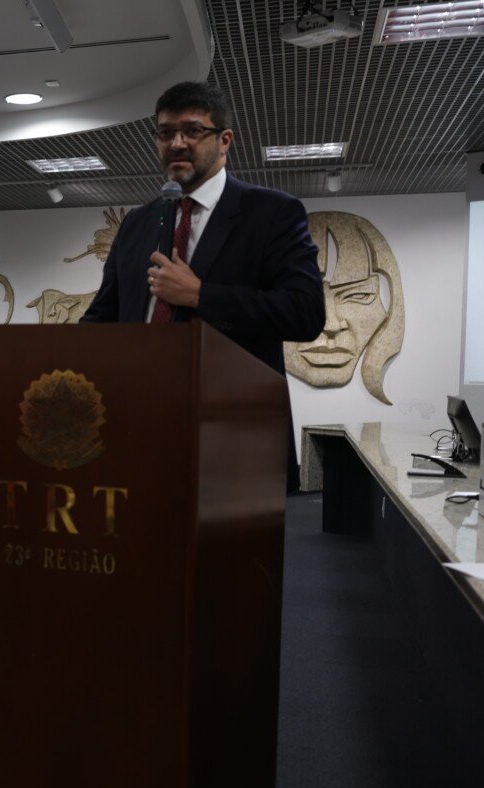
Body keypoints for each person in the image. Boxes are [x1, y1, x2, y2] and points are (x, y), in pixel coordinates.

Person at [82, 81, 325, 489]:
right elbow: (102, 318)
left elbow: (305, 313)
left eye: (192, 130)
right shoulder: (138, 223)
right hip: (139, 429)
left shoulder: (273, 213)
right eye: (165, 133)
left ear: (224, 140)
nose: (176, 143)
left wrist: (200, 295)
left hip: (236, 439)